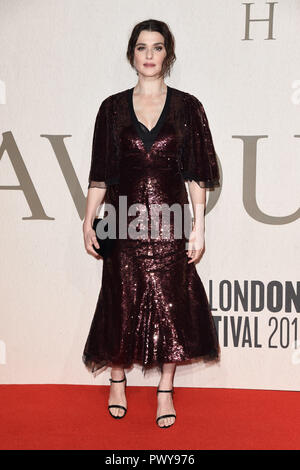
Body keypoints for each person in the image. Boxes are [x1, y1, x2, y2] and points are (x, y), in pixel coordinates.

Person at [82, 19, 221, 429]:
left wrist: (198, 226)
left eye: (157, 48)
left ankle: (165, 390)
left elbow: (197, 173)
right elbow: (101, 173)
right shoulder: (110, 109)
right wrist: (88, 220)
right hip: (122, 221)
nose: (148, 55)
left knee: (171, 305)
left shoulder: (187, 107)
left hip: (169, 221)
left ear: (168, 54)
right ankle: (117, 379)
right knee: (120, 299)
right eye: (141, 47)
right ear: (131, 54)